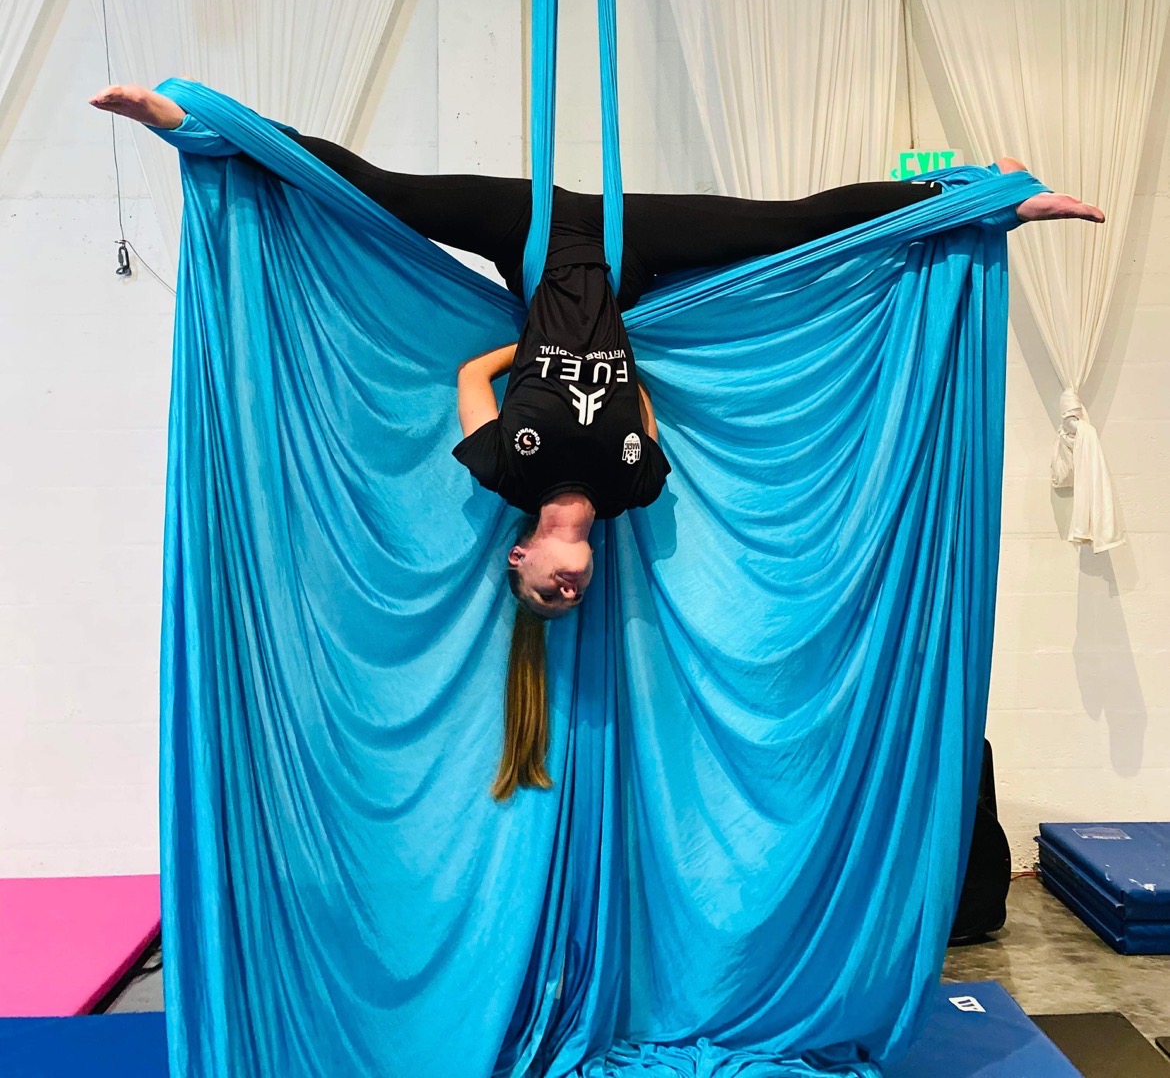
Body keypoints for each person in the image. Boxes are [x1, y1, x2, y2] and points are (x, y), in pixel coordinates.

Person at [90, 83, 1104, 797]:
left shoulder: (499, 473)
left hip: (529, 235)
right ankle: (991, 197)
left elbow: (467, 376)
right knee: (794, 226)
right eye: (569, 596)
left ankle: (192, 119)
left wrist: (525, 341)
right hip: (625, 253)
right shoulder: (633, 490)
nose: (564, 589)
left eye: (544, 589)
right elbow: (647, 413)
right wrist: (623, 359)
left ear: (525, 556)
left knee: (377, 191)